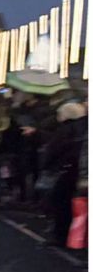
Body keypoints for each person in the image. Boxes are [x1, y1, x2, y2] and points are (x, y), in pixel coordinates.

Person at [42, 101, 87, 246]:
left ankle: (61, 236)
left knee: (61, 203)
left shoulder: (66, 130)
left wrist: (48, 165)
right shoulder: (83, 128)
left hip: (66, 170)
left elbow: (54, 150)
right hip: (77, 170)